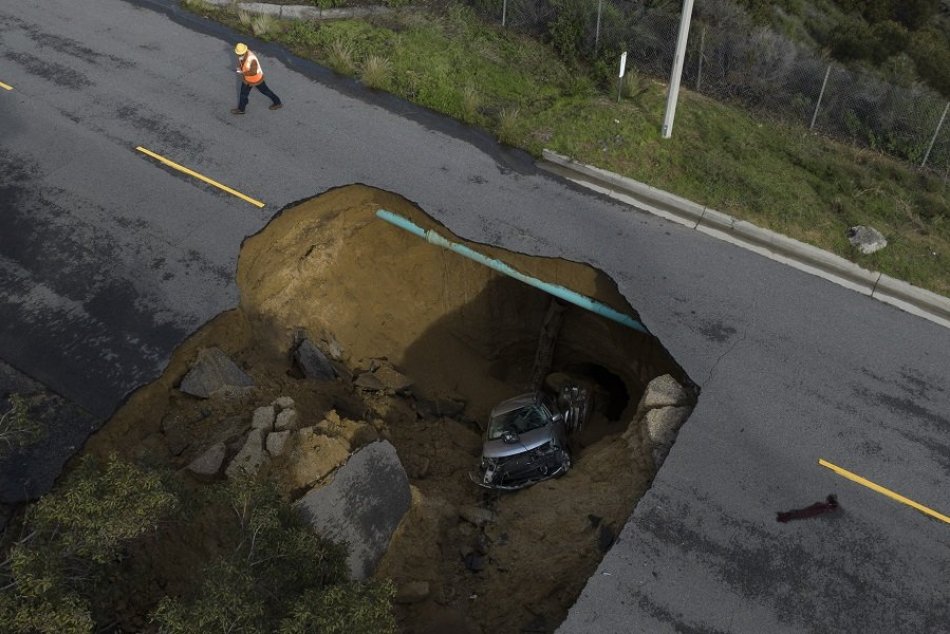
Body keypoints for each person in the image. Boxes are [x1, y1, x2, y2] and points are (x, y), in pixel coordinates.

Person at [231, 43, 282, 114]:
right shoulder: (243, 55)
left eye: (238, 53)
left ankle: (277, 102)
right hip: (247, 80)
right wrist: (240, 68)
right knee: (243, 94)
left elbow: (253, 72)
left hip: (256, 79)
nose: (237, 55)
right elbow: (243, 63)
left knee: (265, 91)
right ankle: (241, 109)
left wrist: (242, 72)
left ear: (243, 52)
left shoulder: (251, 59)